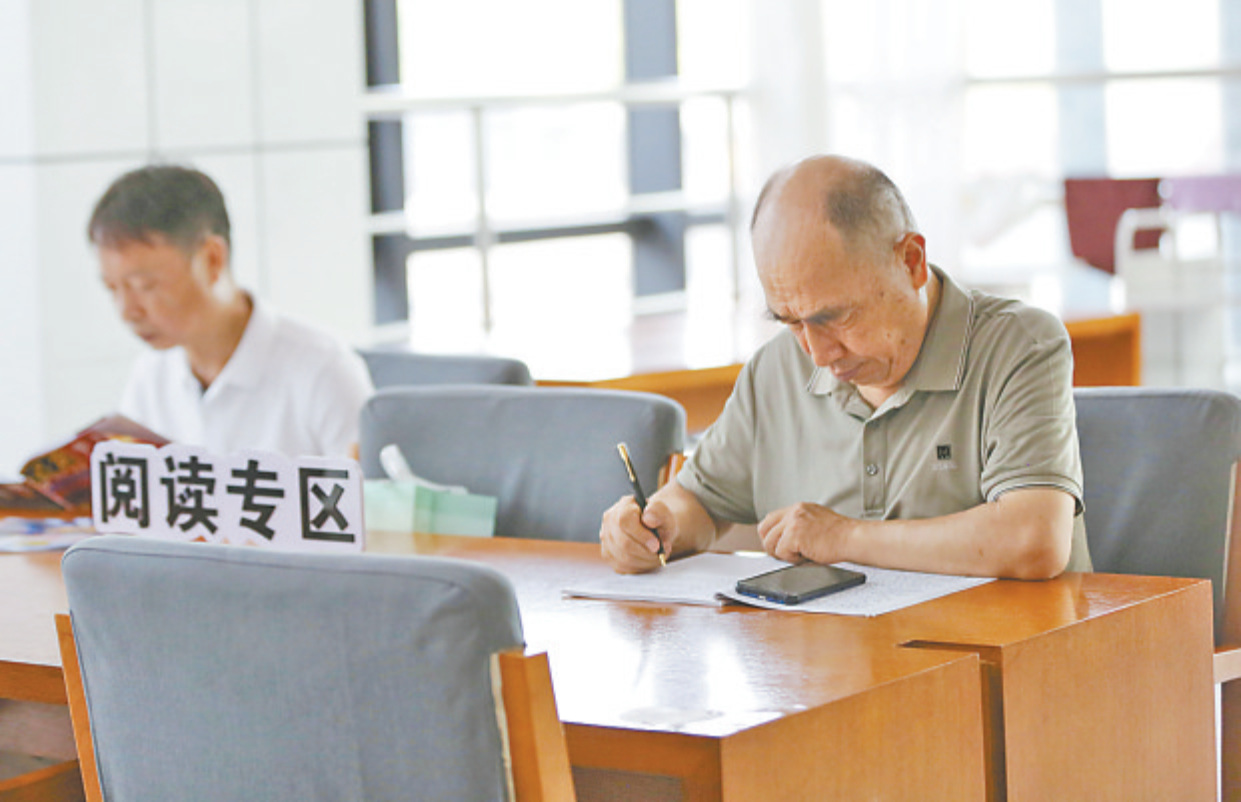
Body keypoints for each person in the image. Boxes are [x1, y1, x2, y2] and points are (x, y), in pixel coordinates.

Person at [600, 155, 1091, 579]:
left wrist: (844, 538)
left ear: (911, 261)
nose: (816, 354)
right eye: (791, 322)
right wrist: (656, 525)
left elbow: (1033, 540)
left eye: (833, 317)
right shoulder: (775, 369)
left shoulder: (1020, 346)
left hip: (1003, 651)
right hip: (833, 656)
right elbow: (700, 502)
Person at [89, 164, 373, 458]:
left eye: (144, 286)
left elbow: (370, 486)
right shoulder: (151, 375)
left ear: (211, 259)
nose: (128, 311)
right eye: (112, 288)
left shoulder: (323, 369)